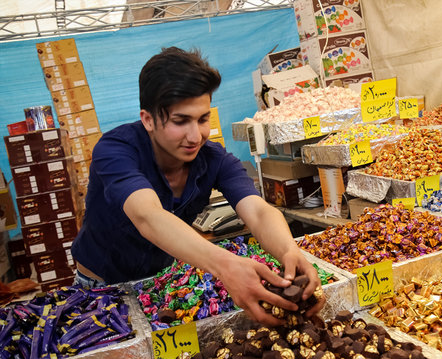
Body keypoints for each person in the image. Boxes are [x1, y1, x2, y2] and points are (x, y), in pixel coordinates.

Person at [71, 46, 324, 326]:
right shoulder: (116, 149)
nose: (195, 136)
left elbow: (258, 211)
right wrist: (226, 265)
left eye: (203, 119)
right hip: (101, 285)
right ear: (148, 120)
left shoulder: (213, 158)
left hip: (161, 281)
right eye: (180, 121)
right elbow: (148, 216)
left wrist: (289, 250)